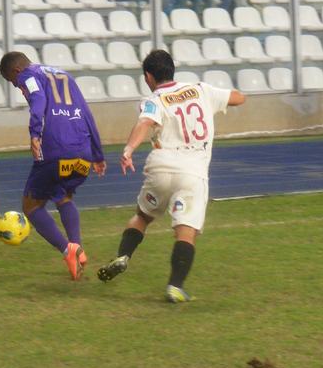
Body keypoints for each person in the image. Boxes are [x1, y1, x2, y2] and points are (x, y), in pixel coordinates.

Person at [97, 50, 246, 303]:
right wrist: (224, 98)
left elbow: (144, 123)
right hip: (193, 172)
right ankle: (175, 286)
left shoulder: (154, 99)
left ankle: (124, 255)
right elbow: (238, 98)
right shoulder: (200, 90)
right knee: (186, 231)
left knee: (142, 216)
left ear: (148, 76)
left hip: (161, 168)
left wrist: (128, 150)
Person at [0, 51, 106, 281]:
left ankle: (68, 251)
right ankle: (77, 248)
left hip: (56, 147)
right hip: (82, 151)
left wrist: (35, 133)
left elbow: (38, 100)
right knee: (63, 195)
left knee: (30, 206)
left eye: (13, 82)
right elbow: (86, 113)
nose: (19, 88)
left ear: (16, 71)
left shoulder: (28, 76)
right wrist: (98, 154)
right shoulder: (64, 74)